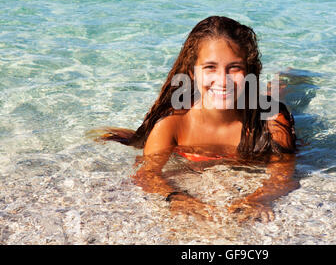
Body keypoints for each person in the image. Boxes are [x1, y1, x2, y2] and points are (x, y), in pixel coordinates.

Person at [89, 16, 300, 223]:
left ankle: (290, 78)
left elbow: (281, 176)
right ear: (192, 73)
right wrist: (177, 198)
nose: (222, 80)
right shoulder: (173, 124)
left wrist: (257, 199)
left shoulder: (272, 120)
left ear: (250, 71)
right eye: (210, 67)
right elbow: (147, 174)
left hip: (257, 105)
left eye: (234, 67)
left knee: (274, 99)